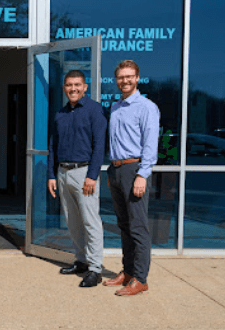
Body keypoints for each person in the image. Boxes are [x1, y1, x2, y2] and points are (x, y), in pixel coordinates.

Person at [103, 60, 160, 296]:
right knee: (124, 226)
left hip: (134, 170)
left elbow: (150, 145)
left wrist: (142, 175)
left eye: (129, 76)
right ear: (116, 80)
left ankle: (140, 278)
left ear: (137, 78)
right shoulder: (116, 107)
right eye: (121, 77)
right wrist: (111, 172)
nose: (125, 81)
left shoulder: (146, 107)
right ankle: (127, 272)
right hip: (116, 171)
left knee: (138, 227)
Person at [47, 70, 107, 288]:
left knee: (91, 221)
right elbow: (53, 146)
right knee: (72, 221)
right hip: (63, 173)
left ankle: (95, 268)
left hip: (84, 174)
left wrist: (92, 176)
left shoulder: (94, 110)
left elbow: (99, 146)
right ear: (64, 88)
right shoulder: (60, 114)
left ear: (85, 87)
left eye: (77, 85)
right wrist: (52, 175)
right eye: (69, 85)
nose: (73, 88)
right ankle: (81, 261)